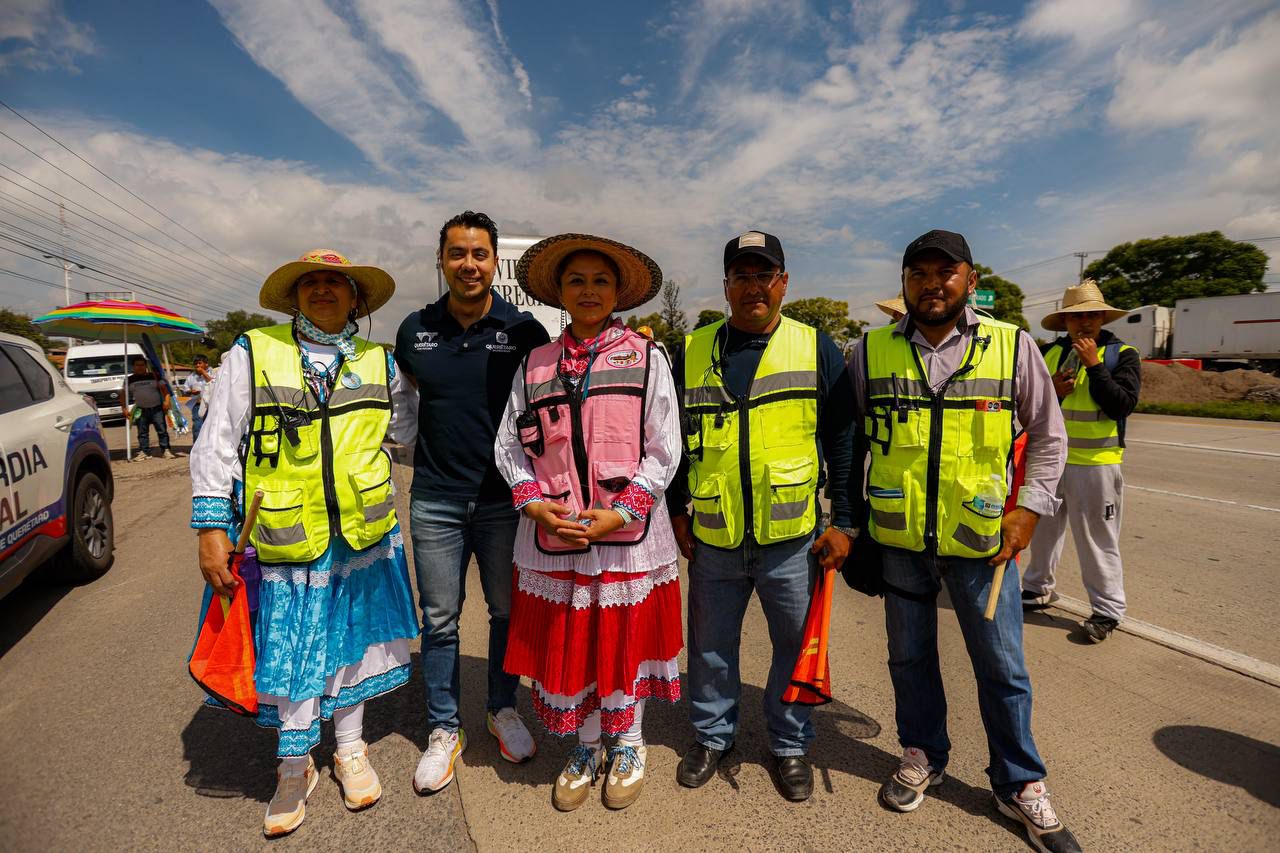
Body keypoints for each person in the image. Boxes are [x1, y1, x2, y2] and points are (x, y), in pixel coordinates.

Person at [847, 230, 1080, 852]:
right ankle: (923, 753)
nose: (931, 283)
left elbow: (1049, 437)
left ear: (970, 281)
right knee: (909, 658)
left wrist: (1029, 509)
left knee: (1003, 667)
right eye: (917, 272)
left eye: (945, 272)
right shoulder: (868, 353)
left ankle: (1019, 783)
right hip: (899, 541)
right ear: (903, 283)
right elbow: (851, 444)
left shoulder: (1012, 348)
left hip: (982, 544)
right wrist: (849, 521)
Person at [190, 249, 420, 837]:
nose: (322, 291)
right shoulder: (253, 352)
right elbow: (217, 439)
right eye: (310, 283)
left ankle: (349, 749)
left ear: (356, 299)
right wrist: (212, 528)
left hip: (362, 535)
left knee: (353, 642)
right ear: (294, 297)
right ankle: (294, 766)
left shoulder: (380, 362)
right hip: (288, 536)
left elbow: (406, 430)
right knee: (293, 649)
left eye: (334, 283)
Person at [495, 233, 683, 811]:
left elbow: (665, 448)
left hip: (626, 539)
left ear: (619, 291)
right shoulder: (534, 364)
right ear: (559, 293)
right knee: (573, 644)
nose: (589, 290)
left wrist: (621, 511)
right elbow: (509, 444)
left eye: (601, 281)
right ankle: (586, 743)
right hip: (555, 533)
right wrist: (531, 501)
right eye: (576, 281)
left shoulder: (647, 357)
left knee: (621, 642)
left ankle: (629, 741)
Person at [669, 230, 856, 802]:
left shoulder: (816, 347)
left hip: (792, 537)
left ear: (783, 283)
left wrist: (844, 521)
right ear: (726, 285)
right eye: (742, 276)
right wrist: (677, 509)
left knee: (794, 645)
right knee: (709, 646)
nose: (754, 286)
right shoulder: (693, 349)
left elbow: (843, 438)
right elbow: (672, 439)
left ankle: (790, 744)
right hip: (716, 536)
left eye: (764, 274)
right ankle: (710, 735)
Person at [393, 211, 550, 794]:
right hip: (435, 499)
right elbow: (404, 401)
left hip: (504, 501)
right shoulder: (415, 331)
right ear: (441, 260)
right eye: (457, 253)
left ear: (493, 262)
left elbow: (560, 387)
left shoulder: (524, 330)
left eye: (479, 254)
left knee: (507, 612)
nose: (468, 264)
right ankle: (442, 728)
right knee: (439, 619)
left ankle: (502, 707)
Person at [1023, 280, 1140, 643]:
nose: (1084, 322)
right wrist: (1053, 392)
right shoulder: (1049, 353)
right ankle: (1037, 587)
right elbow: (1030, 407)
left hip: (1096, 463)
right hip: (1050, 460)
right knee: (1041, 529)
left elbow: (1122, 404)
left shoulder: (1123, 354)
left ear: (1103, 317)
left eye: (1091, 315)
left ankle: (1107, 609)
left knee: (1096, 537)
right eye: (1076, 317)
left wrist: (1095, 366)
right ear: (1066, 322)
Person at [126, 355, 175, 460]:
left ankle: (166, 450)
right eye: (137, 365)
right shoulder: (129, 380)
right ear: (133, 366)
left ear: (146, 366)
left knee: (162, 430)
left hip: (156, 409)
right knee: (142, 433)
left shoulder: (154, 376)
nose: (140, 367)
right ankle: (144, 452)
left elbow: (165, 390)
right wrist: (124, 408)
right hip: (140, 410)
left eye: (142, 365)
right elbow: (123, 394)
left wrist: (167, 401)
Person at [182, 354, 216, 442]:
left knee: (213, 427)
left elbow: (214, 383)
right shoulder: (191, 377)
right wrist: (190, 392)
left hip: (212, 405)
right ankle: (197, 449)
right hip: (197, 405)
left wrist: (203, 373)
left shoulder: (213, 372)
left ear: (206, 364)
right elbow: (185, 391)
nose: (197, 365)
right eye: (196, 363)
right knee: (198, 427)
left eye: (200, 363)